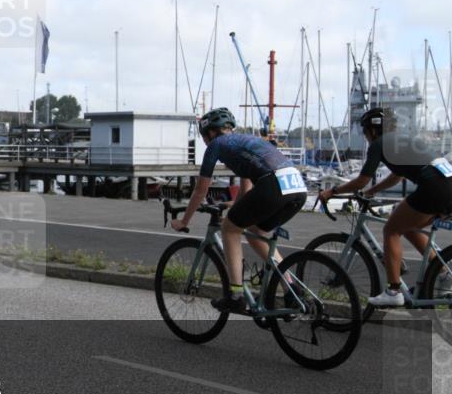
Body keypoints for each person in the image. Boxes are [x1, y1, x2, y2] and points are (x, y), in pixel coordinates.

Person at [170, 108, 307, 314]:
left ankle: (235, 295)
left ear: (210, 133)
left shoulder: (217, 145)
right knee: (257, 233)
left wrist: (184, 221)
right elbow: (246, 189)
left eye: (204, 137)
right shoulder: (246, 141)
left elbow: (200, 190)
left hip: (273, 187)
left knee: (229, 229)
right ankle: (291, 291)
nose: (205, 142)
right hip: (297, 187)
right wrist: (233, 204)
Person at [319, 107, 452, 305]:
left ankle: (393, 291)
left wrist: (332, 191)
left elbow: (361, 180)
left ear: (373, 130)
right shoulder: (402, 139)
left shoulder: (379, 143)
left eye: (364, 132)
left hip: (433, 186)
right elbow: (396, 176)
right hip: (447, 183)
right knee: (408, 228)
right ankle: (442, 275)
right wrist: (371, 192)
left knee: (391, 230)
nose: (365, 137)